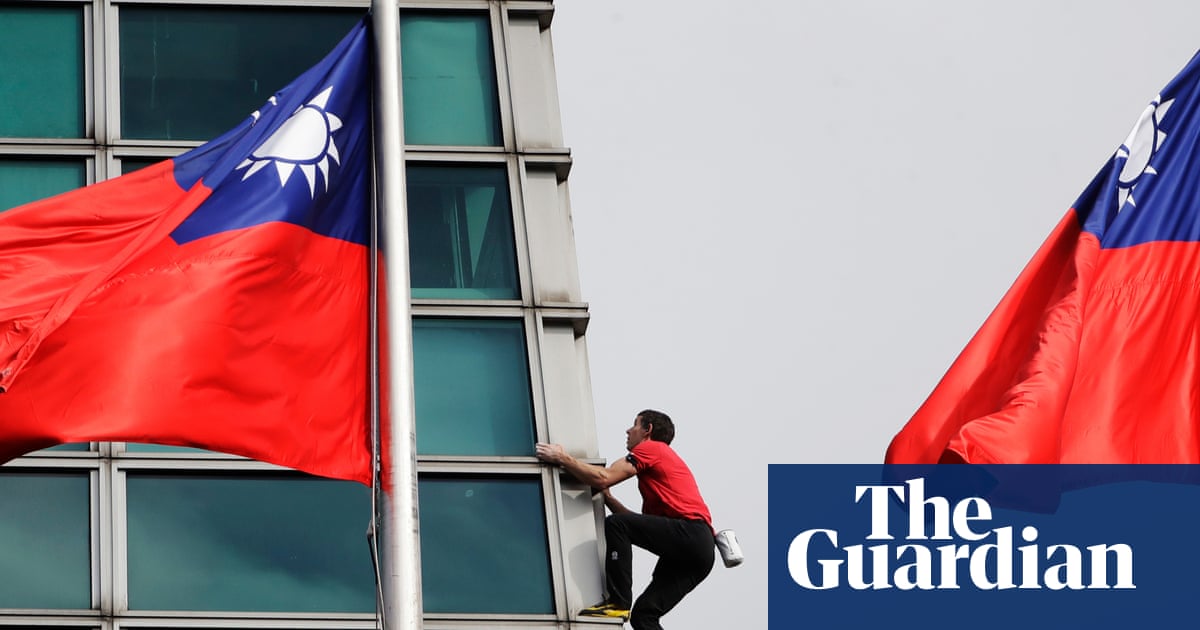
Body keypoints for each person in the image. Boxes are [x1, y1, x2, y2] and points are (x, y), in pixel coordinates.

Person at [535, 409, 714, 629]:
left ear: (648, 430)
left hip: (690, 534)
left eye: (635, 424)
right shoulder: (659, 475)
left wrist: (562, 458)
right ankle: (623, 605)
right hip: (699, 552)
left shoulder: (653, 448)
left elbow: (604, 478)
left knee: (616, 524)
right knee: (644, 616)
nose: (628, 430)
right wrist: (608, 498)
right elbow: (633, 522)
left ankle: (618, 602)